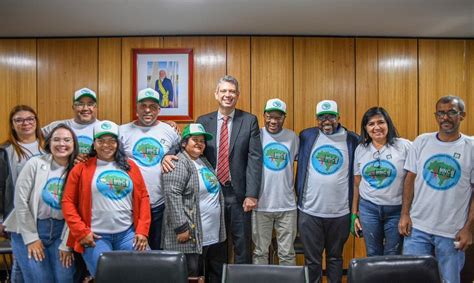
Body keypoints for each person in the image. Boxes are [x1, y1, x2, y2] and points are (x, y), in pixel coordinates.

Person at [163, 75, 262, 265]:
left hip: (238, 194)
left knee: (242, 245)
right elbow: (188, 142)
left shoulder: (249, 120)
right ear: (216, 94)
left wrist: (252, 194)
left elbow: (255, 159)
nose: (228, 95)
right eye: (223, 91)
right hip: (209, 194)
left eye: (232, 91)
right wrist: (167, 154)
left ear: (238, 95)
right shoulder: (204, 121)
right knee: (215, 245)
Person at [399, 95, 474, 283]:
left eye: (451, 112)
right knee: (413, 278)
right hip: (418, 228)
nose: (445, 117)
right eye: (441, 113)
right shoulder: (422, 141)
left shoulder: (471, 147)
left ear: (462, 115)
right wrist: (405, 214)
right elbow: (409, 179)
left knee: (450, 280)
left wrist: (468, 228)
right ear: (436, 115)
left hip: (452, 231)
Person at [62, 121, 151, 278]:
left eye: (111, 140)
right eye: (101, 141)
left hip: (127, 234)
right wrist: (81, 232)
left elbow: (143, 198)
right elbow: (68, 202)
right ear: (94, 144)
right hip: (95, 237)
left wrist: (142, 231)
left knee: (142, 273)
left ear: (118, 143)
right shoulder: (81, 169)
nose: (106, 145)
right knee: (107, 277)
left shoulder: (130, 166)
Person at [4, 123, 78, 283]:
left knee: (64, 278)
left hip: (61, 231)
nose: (62, 144)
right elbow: (20, 201)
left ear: (74, 144)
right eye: (56, 140)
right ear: (49, 143)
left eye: (67, 140)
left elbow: (77, 212)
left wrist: (66, 245)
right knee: (41, 279)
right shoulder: (35, 163)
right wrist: (31, 238)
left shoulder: (78, 170)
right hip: (29, 228)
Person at [296, 100, 359, 283]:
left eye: (331, 116)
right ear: (316, 119)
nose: (326, 121)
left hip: (340, 213)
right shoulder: (306, 136)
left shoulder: (353, 139)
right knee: (312, 261)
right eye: (322, 117)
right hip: (309, 212)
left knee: (335, 258)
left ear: (338, 117)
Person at [162, 123, 226, 282]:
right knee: (190, 276)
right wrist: (181, 227)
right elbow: (172, 195)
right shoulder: (178, 162)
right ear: (184, 143)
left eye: (202, 141)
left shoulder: (202, 160)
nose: (199, 143)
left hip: (208, 235)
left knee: (203, 276)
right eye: (194, 140)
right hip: (188, 235)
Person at [119, 88, 180, 250]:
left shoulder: (169, 131)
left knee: (158, 252)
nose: (147, 110)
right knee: (135, 253)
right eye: (143, 106)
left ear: (159, 110)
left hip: (161, 204)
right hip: (131, 206)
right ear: (136, 108)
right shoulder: (122, 131)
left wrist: (170, 154)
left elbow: (181, 150)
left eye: (153, 106)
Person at [351, 107, 412, 256]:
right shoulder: (361, 149)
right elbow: (357, 183)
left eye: (381, 122)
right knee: (373, 254)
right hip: (368, 209)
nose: (376, 127)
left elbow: (413, 180)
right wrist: (354, 213)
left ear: (388, 124)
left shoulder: (404, 146)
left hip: (396, 210)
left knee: (393, 254)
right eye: (371, 124)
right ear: (365, 128)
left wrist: (406, 213)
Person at [0, 105, 45, 283]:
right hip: (16, 216)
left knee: (34, 262)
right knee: (23, 262)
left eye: (29, 119)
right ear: (12, 124)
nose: (25, 123)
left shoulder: (47, 146)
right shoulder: (5, 151)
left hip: (45, 215)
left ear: (36, 121)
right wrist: (1, 219)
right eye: (19, 120)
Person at [252, 98, 299, 265]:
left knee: (287, 253)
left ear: (284, 117)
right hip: (261, 205)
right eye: (269, 116)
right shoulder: (256, 135)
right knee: (260, 252)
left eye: (278, 117)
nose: (273, 121)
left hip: (287, 206)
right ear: (264, 115)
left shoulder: (292, 137)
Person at [43, 87, 100, 156]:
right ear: (73, 107)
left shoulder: (105, 128)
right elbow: (34, 137)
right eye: (80, 104)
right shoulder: (57, 126)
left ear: (95, 107)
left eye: (90, 104)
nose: (85, 108)